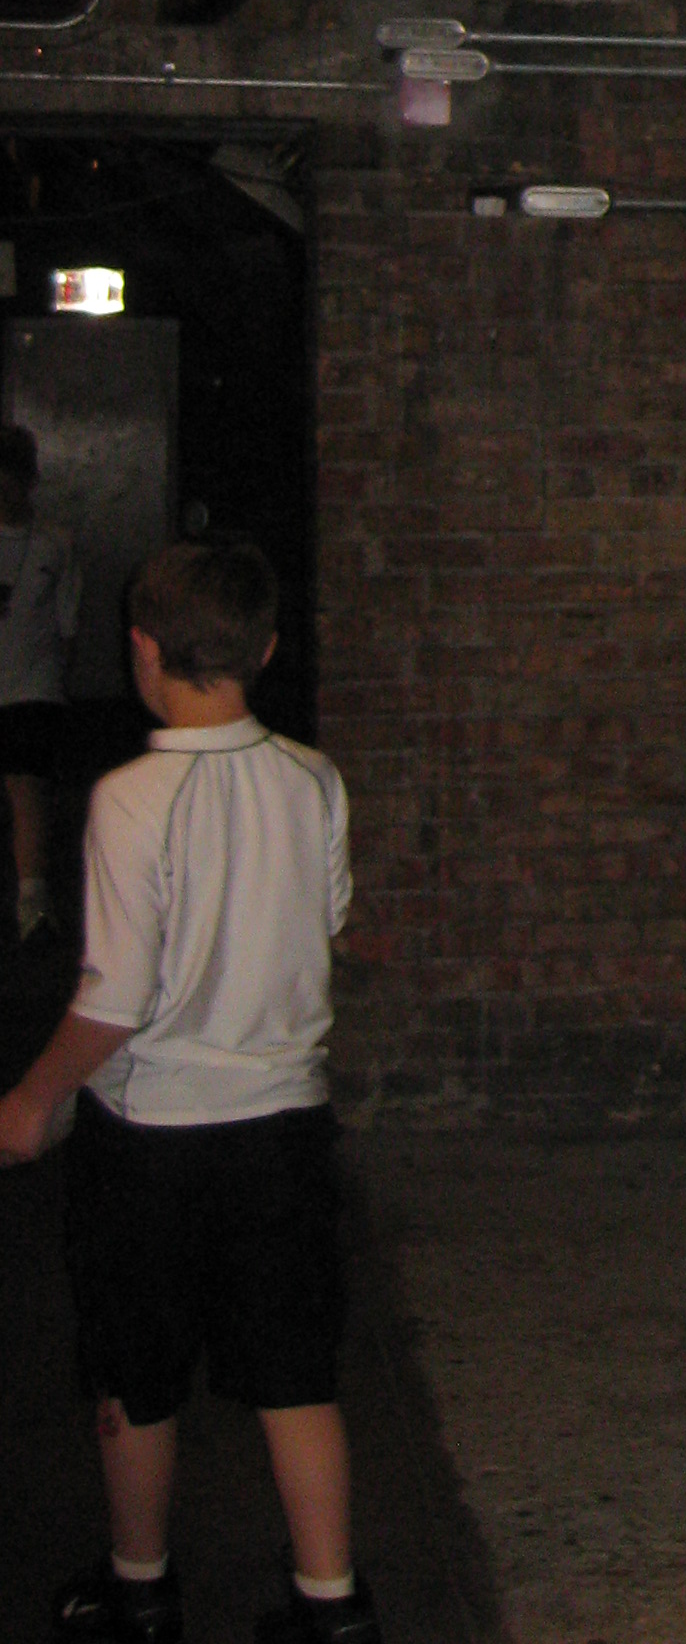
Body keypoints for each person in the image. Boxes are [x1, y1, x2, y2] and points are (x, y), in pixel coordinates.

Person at [0, 537, 376, 1644]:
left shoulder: (130, 798)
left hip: (154, 1138)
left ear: (142, 651)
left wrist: (32, 1096)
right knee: (296, 1372)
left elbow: (116, 996)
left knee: (136, 1372)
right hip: (284, 1129)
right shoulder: (313, 778)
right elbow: (329, 921)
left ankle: (141, 1587)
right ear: (265, 650)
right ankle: (332, 1606)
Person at [0, 418, 80, 942]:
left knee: (26, 783)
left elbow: (67, 623)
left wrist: (62, 684)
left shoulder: (56, 543)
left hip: (34, 685)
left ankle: (33, 899)